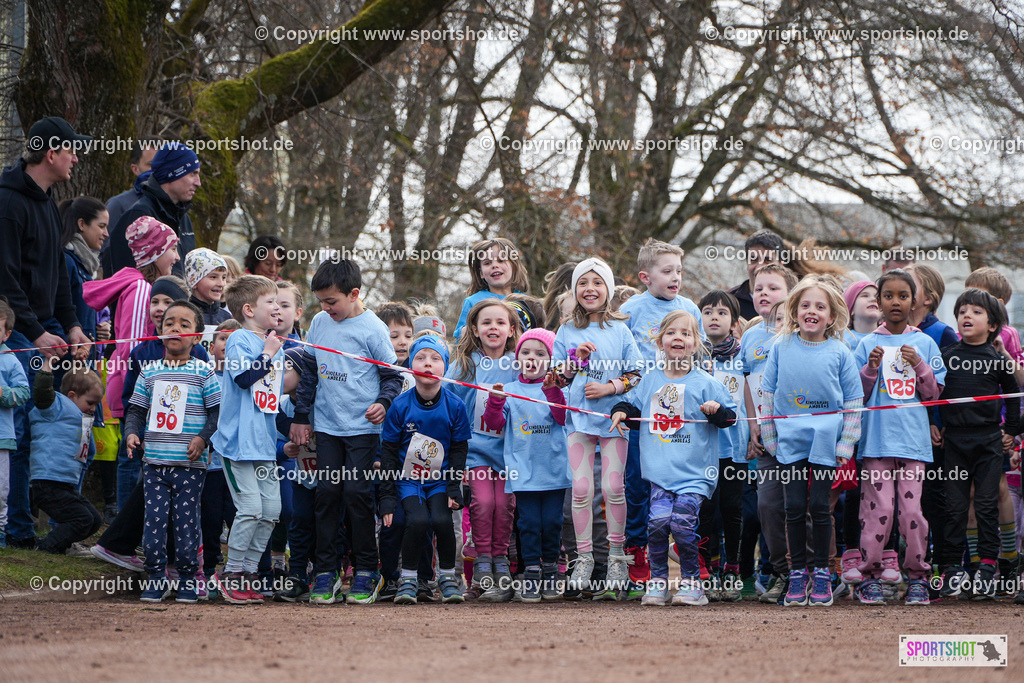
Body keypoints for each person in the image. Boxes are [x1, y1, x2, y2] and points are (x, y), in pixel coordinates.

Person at [0, 116, 93, 548]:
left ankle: (61, 525)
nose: (76, 158)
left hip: (44, 328)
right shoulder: (7, 202)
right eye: (71, 150)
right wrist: (36, 335)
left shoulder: (52, 206)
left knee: (58, 427)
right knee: (18, 432)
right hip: (14, 332)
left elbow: (59, 278)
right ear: (51, 152)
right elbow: (5, 279)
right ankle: (17, 529)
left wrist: (71, 325)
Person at [289, 260, 403, 605]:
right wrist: (301, 416)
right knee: (326, 494)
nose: (325, 308)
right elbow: (309, 373)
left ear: (354, 294)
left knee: (356, 494)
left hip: (362, 430)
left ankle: (368, 570)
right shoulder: (320, 324)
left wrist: (383, 403)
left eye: (332, 301)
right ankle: (326, 571)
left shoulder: (373, 329)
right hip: (326, 427)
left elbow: (393, 376)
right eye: (321, 302)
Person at [610, 310, 736, 606]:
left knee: (681, 523)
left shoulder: (707, 382)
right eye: (671, 333)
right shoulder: (650, 379)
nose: (678, 337)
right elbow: (631, 406)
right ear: (660, 341)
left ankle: (693, 583)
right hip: (660, 471)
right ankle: (658, 581)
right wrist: (621, 411)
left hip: (695, 474)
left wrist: (716, 410)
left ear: (695, 343)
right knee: (657, 523)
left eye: (686, 333)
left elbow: (730, 418)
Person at [758, 275, 863, 606]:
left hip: (826, 444)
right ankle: (798, 573)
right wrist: (770, 437)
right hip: (788, 443)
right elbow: (768, 395)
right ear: (794, 311)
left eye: (820, 306)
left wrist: (845, 444)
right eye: (805, 305)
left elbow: (854, 401)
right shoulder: (780, 347)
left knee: (819, 507)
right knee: (793, 508)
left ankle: (822, 572)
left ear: (831, 316)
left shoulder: (840, 351)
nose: (812, 311)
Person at [852, 270, 944, 605]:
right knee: (879, 511)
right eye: (888, 296)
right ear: (879, 302)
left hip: (913, 445)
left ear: (914, 301)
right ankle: (870, 575)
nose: (895, 302)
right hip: (876, 443)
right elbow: (856, 397)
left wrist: (920, 365)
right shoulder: (866, 344)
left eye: (903, 296)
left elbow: (933, 394)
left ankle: (918, 577)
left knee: (911, 513)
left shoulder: (925, 343)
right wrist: (870, 370)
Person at [619, 239, 703, 597]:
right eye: (667, 271)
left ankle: (693, 557)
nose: (676, 277)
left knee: (684, 485)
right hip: (642, 411)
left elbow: (701, 356)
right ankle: (638, 554)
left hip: (681, 414)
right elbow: (622, 354)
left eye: (679, 271)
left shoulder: (689, 309)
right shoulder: (631, 309)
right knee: (639, 483)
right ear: (645, 276)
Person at [554, 258, 641, 595]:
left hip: (613, 422)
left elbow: (636, 374)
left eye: (597, 282)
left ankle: (618, 558)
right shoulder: (565, 330)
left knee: (614, 487)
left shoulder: (620, 330)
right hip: (578, 421)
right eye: (583, 283)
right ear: (575, 290)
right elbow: (555, 379)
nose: (590, 289)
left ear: (608, 290)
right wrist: (575, 362)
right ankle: (584, 557)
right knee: (580, 490)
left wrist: (609, 388)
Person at [124, 301, 220, 603]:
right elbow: (136, 411)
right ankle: (155, 576)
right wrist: (131, 434)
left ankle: (189, 578)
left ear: (197, 336)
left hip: (190, 466)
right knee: (153, 521)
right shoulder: (149, 372)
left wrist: (203, 439)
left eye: (183, 324)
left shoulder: (204, 372)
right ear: (159, 331)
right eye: (169, 323)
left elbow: (217, 414)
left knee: (186, 522)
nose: (175, 328)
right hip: (154, 463)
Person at [84, 217, 181, 508]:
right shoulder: (142, 291)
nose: (176, 256)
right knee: (132, 455)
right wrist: (144, 391)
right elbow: (135, 348)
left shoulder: (147, 287)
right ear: (154, 253)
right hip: (135, 385)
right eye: (172, 248)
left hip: (140, 383)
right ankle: (122, 528)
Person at [935, 288, 1022, 601]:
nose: (966, 316)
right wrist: (936, 423)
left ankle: (988, 567)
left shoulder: (998, 360)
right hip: (955, 443)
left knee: (986, 504)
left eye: (975, 311)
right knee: (956, 508)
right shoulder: (947, 357)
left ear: (993, 325)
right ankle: (953, 568)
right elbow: (934, 393)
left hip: (988, 442)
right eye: (962, 311)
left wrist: (1011, 431)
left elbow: (1013, 394)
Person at [379, 335, 471, 604]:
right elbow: (388, 452)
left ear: (445, 367)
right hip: (409, 481)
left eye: (435, 359)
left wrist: (454, 486)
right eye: (420, 358)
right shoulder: (400, 405)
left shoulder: (455, 405)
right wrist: (386, 497)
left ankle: (447, 578)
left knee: (442, 521)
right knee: (417, 521)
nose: (427, 364)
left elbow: (458, 449)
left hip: (441, 480)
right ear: (410, 365)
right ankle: (407, 579)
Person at [211, 275, 284, 605]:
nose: (278, 307)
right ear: (249, 309)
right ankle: (231, 571)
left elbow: (272, 395)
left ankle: (250, 571)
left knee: (271, 509)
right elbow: (242, 378)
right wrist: (268, 352)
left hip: (265, 444)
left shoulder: (273, 344)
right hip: (238, 443)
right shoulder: (241, 338)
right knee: (251, 507)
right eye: (271, 302)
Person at [483, 328, 570, 602]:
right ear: (517, 357)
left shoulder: (558, 389)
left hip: (554, 469)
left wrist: (553, 391)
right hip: (523, 471)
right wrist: (495, 404)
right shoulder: (509, 390)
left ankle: (550, 571)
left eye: (540, 353)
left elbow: (561, 418)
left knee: (554, 522)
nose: (532, 358)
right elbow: (495, 425)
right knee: (529, 523)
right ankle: (531, 571)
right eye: (526, 352)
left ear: (551, 359)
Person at [446, 300, 520, 601]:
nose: (493, 328)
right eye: (486, 322)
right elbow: (449, 409)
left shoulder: (518, 364)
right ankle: (482, 563)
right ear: (474, 329)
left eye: (500, 323)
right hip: (474, 453)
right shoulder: (463, 366)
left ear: (511, 329)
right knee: (483, 504)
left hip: (509, 453)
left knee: (504, 506)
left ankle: (501, 561)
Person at [740, 263, 797, 603]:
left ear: (790, 295)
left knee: (801, 506)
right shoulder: (749, 336)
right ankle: (781, 573)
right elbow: (749, 383)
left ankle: (810, 570)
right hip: (765, 437)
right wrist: (752, 426)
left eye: (773, 288)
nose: (764, 294)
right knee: (768, 506)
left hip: (798, 434)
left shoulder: (799, 333)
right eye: (759, 288)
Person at [697, 290, 748, 602]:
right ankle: (708, 570)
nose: (714, 317)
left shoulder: (743, 360)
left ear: (734, 322)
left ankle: (733, 569)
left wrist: (755, 435)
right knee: (707, 512)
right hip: (703, 450)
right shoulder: (693, 359)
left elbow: (754, 397)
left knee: (732, 509)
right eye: (707, 312)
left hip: (736, 449)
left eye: (721, 312)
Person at [28, 359, 104, 554]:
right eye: (90, 403)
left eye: (97, 404)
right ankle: (46, 547)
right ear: (72, 395)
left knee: (94, 520)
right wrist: (47, 364)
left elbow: (89, 451)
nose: (94, 409)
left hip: (65, 484)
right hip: (47, 483)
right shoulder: (56, 406)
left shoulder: (85, 420)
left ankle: (60, 542)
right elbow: (42, 391)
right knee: (82, 519)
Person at [104, 141, 200, 278]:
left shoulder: (184, 219)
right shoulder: (139, 216)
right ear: (172, 173)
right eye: (192, 174)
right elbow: (122, 277)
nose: (198, 182)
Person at [453, 238, 529, 339]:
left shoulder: (525, 302)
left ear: (514, 266)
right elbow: (460, 338)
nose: (495, 265)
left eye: (501, 260)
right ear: (481, 273)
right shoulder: (472, 301)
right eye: (487, 263)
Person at [0, 299, 30, 543]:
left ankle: (0, 534)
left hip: (2, 436)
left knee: (1, 490)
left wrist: (4, 394)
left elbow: (23, 392)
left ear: (7, 333)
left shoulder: (10, 359)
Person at [105, 139, 160, 232]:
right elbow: (105, 244)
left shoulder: (177, 207)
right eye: (151, 165)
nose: (157, 169)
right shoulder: (118, 205)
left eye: (163, 164)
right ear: (135, 169)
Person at [728, 230, 785, 320]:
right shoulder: (729, 302)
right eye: (753, 260)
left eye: (767, 260)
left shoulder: (796, 300)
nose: (759, 267)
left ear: (781, 265)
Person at [184, 248, 232, 329]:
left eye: (224, 277)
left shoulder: (226, 318)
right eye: (213, 277)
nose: (221, 284)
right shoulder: (183, 315)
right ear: (193, 281)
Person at [843, 280, 880, 345]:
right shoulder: (841, 341)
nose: (874, 299)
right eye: (865, 296)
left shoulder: (890, 336)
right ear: (851, 309)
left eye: (877, 297)